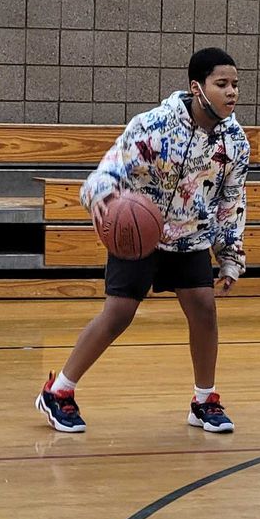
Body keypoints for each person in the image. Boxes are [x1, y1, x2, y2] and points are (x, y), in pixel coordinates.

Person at [35, 47, 249, 434]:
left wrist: (230, 254)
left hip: (190, 234)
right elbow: (110, 168)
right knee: (119, 313)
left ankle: (204, 401)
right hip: (139, 232)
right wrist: (101, 195)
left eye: (235, 84)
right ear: (196, 88)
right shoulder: (155, 126)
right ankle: (58, 392)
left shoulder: (235, 142)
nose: (231, 92)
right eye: (222, 84)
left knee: (204, 308)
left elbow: (231, 200)